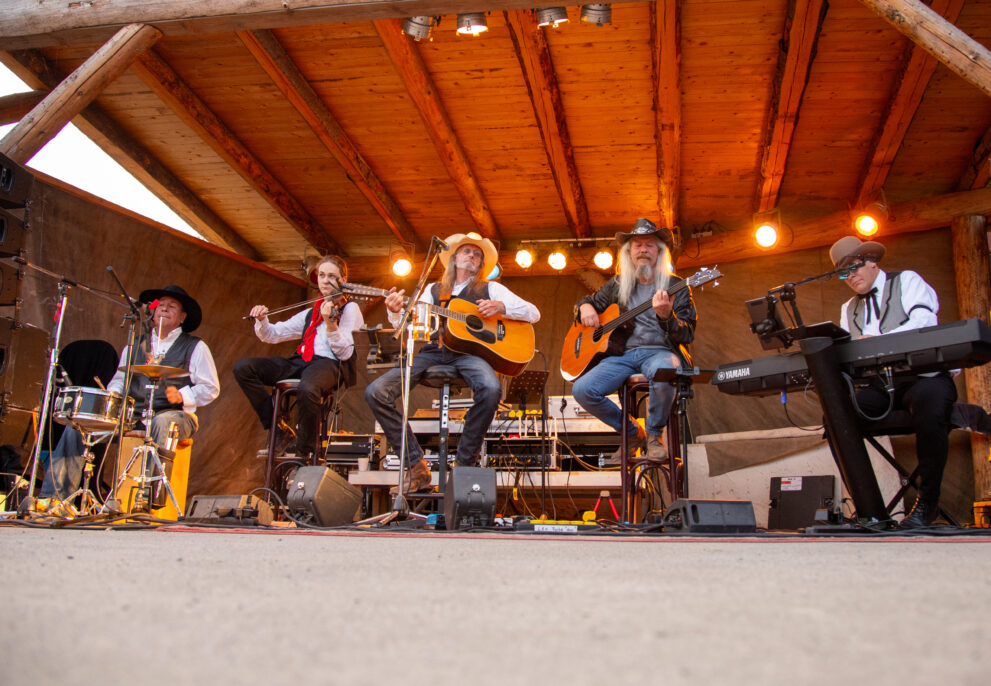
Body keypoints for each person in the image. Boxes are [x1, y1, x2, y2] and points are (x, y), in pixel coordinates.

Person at [365, 232, 540, 494]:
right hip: (433, 352)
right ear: (454, 258)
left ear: (481, 264)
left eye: (477, 254)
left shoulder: (490, 288)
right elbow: (409, 327)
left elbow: (533, 313)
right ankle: (415, 466)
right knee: (375, 392)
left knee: (491, 390)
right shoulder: (432, 290)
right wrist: (394, 311)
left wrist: (502, 307)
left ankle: (463, 465)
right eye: (467, 251)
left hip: (472, 355)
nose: (472, 256)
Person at [41, 285, 220, 500]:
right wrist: (113, 397)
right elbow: (119, 380)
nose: (164, 309)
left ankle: (148, 498)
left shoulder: (195, 346)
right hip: (132, 416)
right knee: (79, 426)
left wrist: (184, 396)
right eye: (161, 305)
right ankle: (54, 497)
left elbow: (211, 388)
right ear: (153, 313)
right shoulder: (135, 344)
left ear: (182, 317)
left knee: (161, 423)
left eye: (172, 306)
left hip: (176, 416)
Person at [829, 235, 956, 529]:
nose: (850, 277)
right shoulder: (848, 308)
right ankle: (869, 508)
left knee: (930, 405)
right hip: (882, 385)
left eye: (854, 267)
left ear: (872, 261)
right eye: (842, 272)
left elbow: (924, 322)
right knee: (836, 415)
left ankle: (928, 502)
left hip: (924, 377)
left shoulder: (907, 281)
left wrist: (878, 341)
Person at [571, 218, 697, 465]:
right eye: (637, 245)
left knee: (666, 370)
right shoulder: (618, 285)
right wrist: (585, 307)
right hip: (623, 356)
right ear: (629, 252)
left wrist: (667, 317)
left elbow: (687, 333)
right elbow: (587, 301)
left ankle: (652, 436)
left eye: (649, 245)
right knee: (582, 390)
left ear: (659, 251)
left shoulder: (676, 286)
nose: (643, 250)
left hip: (659, 352)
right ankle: (632, 433)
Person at [234, 255, 364, 458]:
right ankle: (278, 429)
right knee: (244, 368)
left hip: (329, 363)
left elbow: (345, 352)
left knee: (308, 387)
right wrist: (262, 320)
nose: (325, 280)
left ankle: (305, 451)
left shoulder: (349, 308)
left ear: (343, 280)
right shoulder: (311, 312)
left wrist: (330, 325)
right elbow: (273, 335)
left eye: (332, 276)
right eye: (321, 275)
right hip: (302, 360)